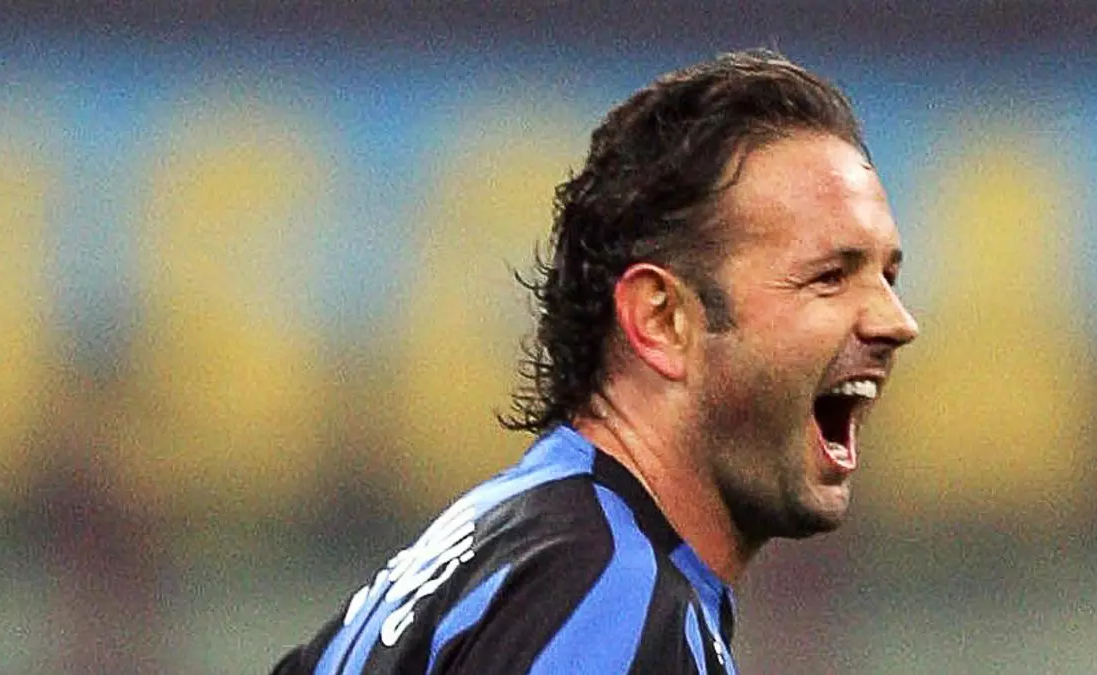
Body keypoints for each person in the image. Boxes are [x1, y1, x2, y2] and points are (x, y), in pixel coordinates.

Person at [271, 48, 918, 674]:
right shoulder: (608, 598)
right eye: (830, 277)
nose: (896, 321)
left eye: (888, 276)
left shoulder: (497, 546)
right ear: (662, 319)